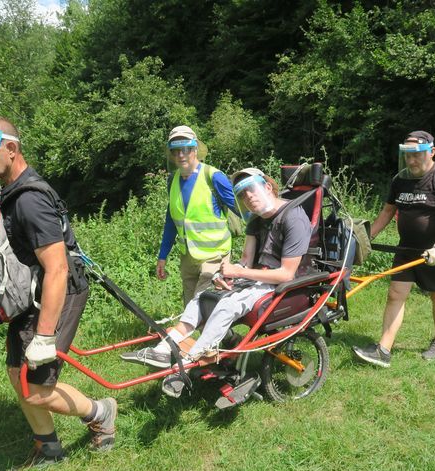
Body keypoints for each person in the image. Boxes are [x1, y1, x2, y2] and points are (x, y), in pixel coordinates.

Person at [0, 116, 117, 469]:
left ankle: (101, 412)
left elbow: (58, 269)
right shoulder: (11, 191)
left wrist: (45, 335)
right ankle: (49, 449)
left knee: (37, 388)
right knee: (18, 373)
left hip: (59, 290)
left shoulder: (29, 200)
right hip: (32, 292)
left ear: (11, 149)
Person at [121, 168, 312, 397]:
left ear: (268, 187)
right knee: (202, 298)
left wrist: (242, 273)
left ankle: (188, 363)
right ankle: (162, 350)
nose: (247, 198)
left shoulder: (293, 217)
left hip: (281, 286)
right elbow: (245, 261)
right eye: (241, 195)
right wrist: (227, 276)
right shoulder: (256, 220)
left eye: (251, 190)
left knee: (226, 306)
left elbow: (286, 274)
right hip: (259, 279)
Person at [352, 131, 435, 367]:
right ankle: (383, 350)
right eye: (408, 156)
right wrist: (366, 238)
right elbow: (387, 211)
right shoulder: (400, 180)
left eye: (417, 156)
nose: (412, 161)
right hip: (406, 249)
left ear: (432, 152)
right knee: (395, 294)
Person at [157, 125, 238, 306]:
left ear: (195, 150)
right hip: (188, 257)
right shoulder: (173, 180)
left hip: (215, 255)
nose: (181, 155)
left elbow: (242, 210)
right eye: (176, 150)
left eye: (185, 149)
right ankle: (228, 335)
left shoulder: (214, 177)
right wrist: (163, 256)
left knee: (202, 305)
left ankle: (228, 335)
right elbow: (172, 221)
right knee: (190, 307)